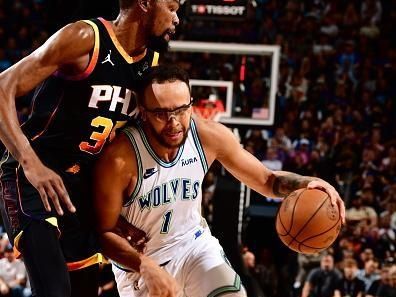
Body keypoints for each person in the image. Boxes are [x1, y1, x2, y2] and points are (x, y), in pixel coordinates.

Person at [93, 65, 346, 297]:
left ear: (191, 105)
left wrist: (308, 182)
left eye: (181, 110)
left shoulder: (207, 136)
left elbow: (266, 180)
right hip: (141, 264)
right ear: (144, 113)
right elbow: (102, 233)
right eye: (161, 113)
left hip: (194, 247)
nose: (173, 122)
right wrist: (144, 265)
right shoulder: (120, 159)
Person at [0, 1, 181, 296]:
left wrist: (117, 212)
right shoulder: (87, 37)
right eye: (172, 7)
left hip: (82, 192)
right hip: (33, 178)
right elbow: (3, 86)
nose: (176, 18)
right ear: (146, 3)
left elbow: (128, 148)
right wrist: (31, 164)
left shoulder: (154, 66)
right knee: (53, 288)